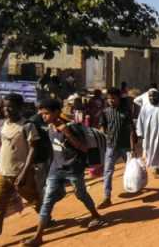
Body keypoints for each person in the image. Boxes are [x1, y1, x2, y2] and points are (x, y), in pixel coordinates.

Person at [21, 99, 105, 247]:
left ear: (56, 112)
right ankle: (38, 237)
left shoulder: (72, 128)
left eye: (46, 113)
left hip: (73, 169)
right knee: (47, 201)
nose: (44, 116)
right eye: (42, 114)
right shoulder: (49, 127)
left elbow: (84, 148)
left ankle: (96, 215)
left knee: (81, 194)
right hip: (56, 169)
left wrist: (66, 133)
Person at [0, 94, 42, 247]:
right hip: (2, 173)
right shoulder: (2, 124)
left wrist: (24, 172)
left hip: (21, 174)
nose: (6, 110)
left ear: (20, 107)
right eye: (4, 106)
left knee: (35, 200)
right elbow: (2, 147)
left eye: (10, 106)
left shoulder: (27, 126)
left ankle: (45, 219)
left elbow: (33, 150)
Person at [97, 88, 134, 208]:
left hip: (126, 146)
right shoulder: (105, 112)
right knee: (108, 171)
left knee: (131, 168)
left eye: (113, 98)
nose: (111, 100)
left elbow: (131, 130)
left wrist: (133, 148)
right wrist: (105, 136)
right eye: (109, 98)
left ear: (118, 98)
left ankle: (135, 186)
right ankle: (107, 197)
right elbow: (102, 126)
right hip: (111, 146)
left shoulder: (126, 111)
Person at [135, 88, 159, 178]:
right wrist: (140, 133)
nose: (152, 97)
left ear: (158, 96)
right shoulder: (145, 106)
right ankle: (153, 167)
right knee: (149, 150)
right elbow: (140, 120)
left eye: (154, 95)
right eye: (150, 96)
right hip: (148, 134)